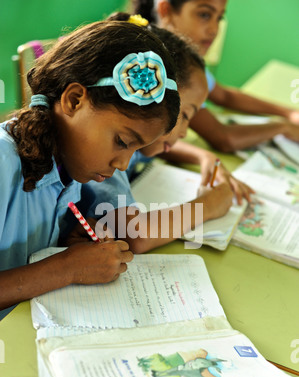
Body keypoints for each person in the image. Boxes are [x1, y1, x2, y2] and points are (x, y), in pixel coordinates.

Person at [0, 20, 181, 317]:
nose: (122, 164)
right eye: (121, 141)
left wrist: (66, 243)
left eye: (135, 150)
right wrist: (66, 268)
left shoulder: (68, 169)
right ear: (74, 100)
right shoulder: (4, 162)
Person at [69, 16, 236, 254]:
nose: (185, 132)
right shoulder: (108, 155)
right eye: (186, 115)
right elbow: (136, 235)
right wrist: (207, 205)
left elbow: (154, 146)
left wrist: (203, 156)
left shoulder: (127, 143)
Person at [132, 0, 299, 152]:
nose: (214, 30)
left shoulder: (186, 60)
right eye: (204, 15)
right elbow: (222, 138)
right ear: (166, 9)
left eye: (219, 18)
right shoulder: (156, 70)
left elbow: (224, 95)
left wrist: (288, 113)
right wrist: (282, 128)